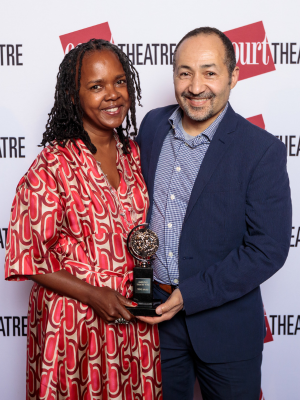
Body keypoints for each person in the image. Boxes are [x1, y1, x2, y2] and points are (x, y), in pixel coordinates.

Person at [136, 27, 292, 400]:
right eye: (184, 72)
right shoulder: (153, 125)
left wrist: (191, 294)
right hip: (156, 318)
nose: (195, 86)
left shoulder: (261, 150)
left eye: (209, 72)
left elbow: (268, 248)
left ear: (233, 76)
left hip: (227, 328)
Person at [5, 39, 162, 400]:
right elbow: (26, 258)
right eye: (96, 86)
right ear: (73, 97)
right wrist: (94, 294)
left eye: (120, 82)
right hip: (74, 320)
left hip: (131, 314)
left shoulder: (135, 153)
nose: (113, 95)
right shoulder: (53, 165)